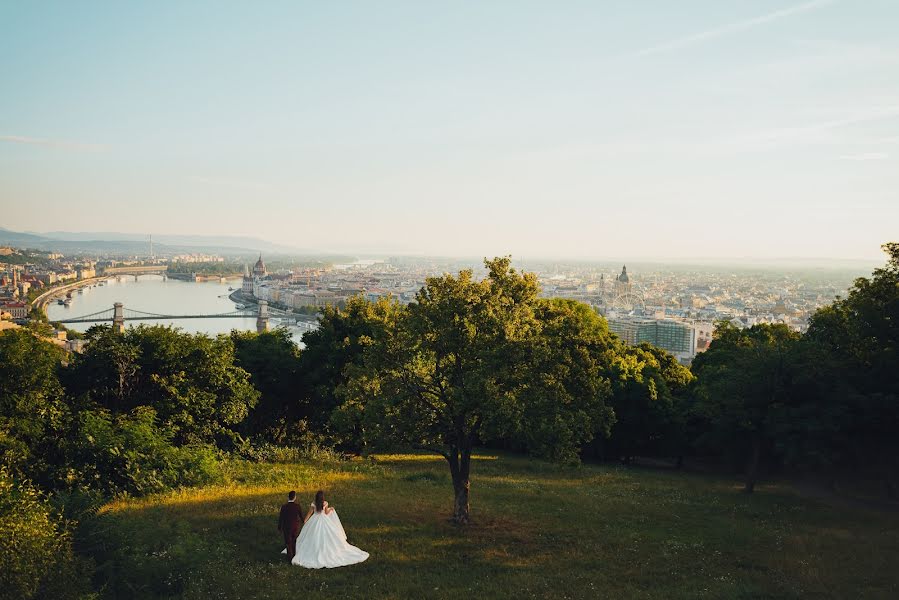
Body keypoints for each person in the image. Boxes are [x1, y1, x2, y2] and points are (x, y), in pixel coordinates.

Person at [291, 490, 369, 568]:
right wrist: (331, 509)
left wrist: (305, 521)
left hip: (314, 520)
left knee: (313, 534)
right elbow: (326, 513)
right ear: (322, 498)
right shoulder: (325, 503)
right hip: (324, 520)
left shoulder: (313, 504)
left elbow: (309, 513)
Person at [277, 491, 302, 562]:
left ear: (288, 497)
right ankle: (294, 555)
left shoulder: (284, 507)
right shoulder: (297, 506)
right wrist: (303, 521)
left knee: (288, 542)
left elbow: (281, 518)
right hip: (295, 526)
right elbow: (300, 516)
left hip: (286, 527)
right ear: (295, 497)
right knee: (294, 540)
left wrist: (279, 527)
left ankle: (289, 557)